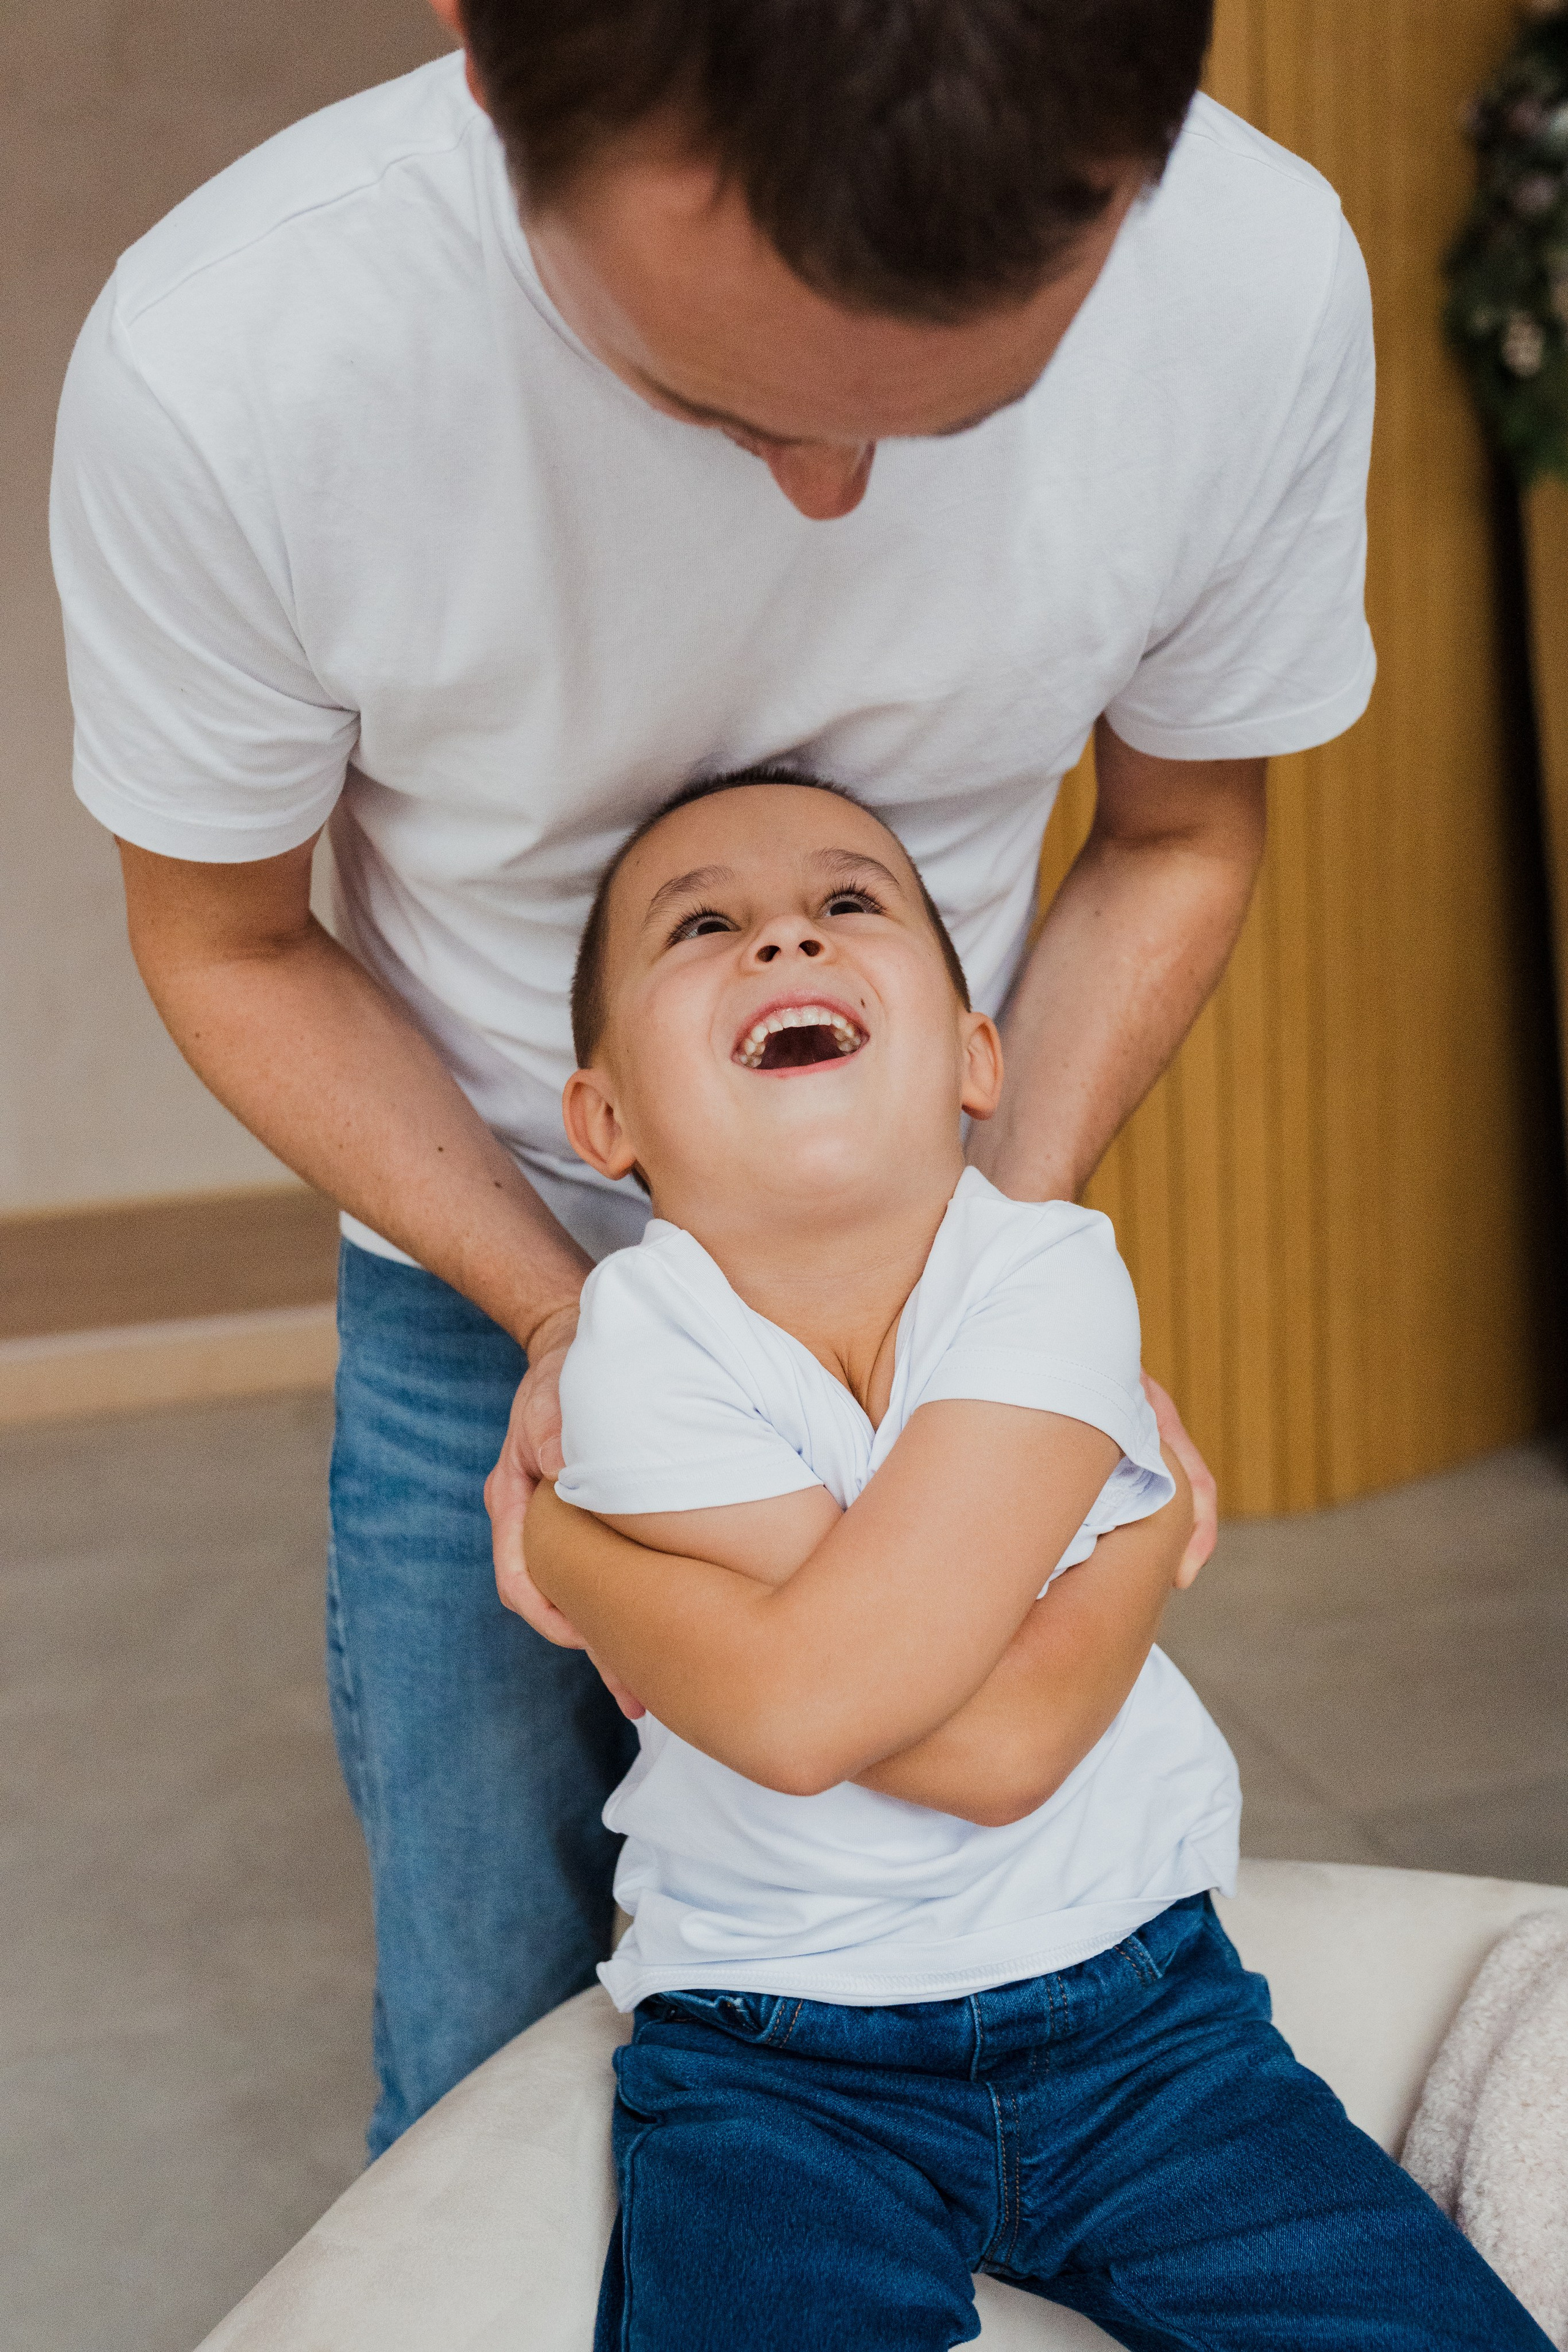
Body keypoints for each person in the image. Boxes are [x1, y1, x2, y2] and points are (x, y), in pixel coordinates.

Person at [50, 0, 1376, 2155]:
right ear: (491, 63)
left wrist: (989, 1270)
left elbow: (1179, 829)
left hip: (950, 1231)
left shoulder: (1252, 282)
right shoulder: (240, 366)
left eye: (962, 405)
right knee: (494, 2051)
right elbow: (229, 935)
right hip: (479, 1270)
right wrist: (575, 1320)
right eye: (710, 399)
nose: (830, 493)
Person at [522, 772, 1551, 2352]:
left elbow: (979, 1746)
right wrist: (1129, 1532)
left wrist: (570, 1549)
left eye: (849, 903)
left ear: (977, 1059)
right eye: (705, 924)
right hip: (775, 2064)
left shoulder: (1049, 1273)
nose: (785, 934)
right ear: (606, 1119)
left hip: (1147, 2026)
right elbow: (820, 1719)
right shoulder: (636, 1346)